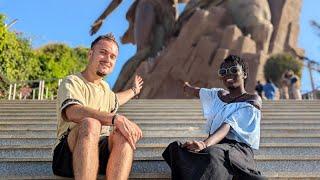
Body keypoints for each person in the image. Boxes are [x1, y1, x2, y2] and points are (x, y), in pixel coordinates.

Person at [52, 33, 143, 180]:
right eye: (103, 53)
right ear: (90, 54)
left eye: (113, 57)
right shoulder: (73, 81)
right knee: (90, 123)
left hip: (100, 152)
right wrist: (115, 118)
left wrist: (134, 91)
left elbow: (117, 99)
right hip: (69, 152)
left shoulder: (105, 90)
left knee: (123, 133)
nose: (108, 59)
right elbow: (72, 111)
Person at [162, 55, 265, 180]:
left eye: (233, 70)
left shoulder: (252, 99)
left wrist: (205, 144)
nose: (228, 74)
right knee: (177, 149)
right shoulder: (218, 95)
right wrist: (187, 87)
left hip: (237, 149)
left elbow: (227, 125)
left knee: (212, 154)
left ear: (244, 74)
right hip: (215, 144)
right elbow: (197, 91)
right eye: (223, 72)